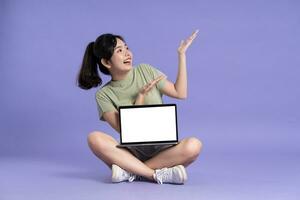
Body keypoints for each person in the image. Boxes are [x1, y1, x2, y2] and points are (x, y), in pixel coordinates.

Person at [77, 30, 202, 184]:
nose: (127, 54)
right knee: (94, 138)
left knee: (193, 146)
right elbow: (126, 131)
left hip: (164, 150)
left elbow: (180, 93)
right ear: (106, 62)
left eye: (127, 48)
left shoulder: (145, 70)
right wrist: (140, 97)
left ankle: (131, 172)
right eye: (120, 51)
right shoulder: (104, 95)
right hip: (131, 152)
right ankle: (156, 174)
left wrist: (181, 55)